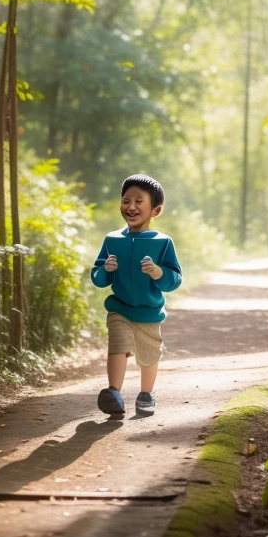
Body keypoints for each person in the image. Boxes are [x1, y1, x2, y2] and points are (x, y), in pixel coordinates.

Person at [90, 173, 182, 419]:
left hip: (149, 311)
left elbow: (174, 278)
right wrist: (106, 270)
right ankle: (113, 393)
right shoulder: (112, 240)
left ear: (156, 210)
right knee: (117, 346)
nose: (131, 207)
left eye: (139, 201)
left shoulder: (163, 242)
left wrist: (158, 272)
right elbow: (98, 277)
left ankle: (145, 395)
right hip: (119, 308)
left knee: (149, 355)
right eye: (126, 200)